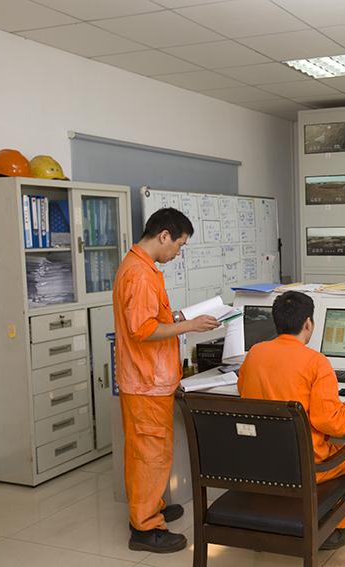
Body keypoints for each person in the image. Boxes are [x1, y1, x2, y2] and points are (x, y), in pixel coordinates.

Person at [237, 291, 345, 550]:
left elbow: (244, 391)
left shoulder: (255, 353)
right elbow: (335, 424)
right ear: (308, 323)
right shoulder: (316, 363)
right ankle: (331, 526)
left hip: (262, 464)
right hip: (307, 466)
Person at [113, 207, 220, 553]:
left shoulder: (141, 267)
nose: (178, 252)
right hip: (145, 381)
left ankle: (151, 507)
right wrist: (189, 326)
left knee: (151, 452)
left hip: (148, 378)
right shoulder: (140, 275)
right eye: (179, 245)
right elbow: (143, 330)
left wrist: (176, 317)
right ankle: (145, 528)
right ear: (164, 236)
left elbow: (149, 318)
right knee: (149, 455)